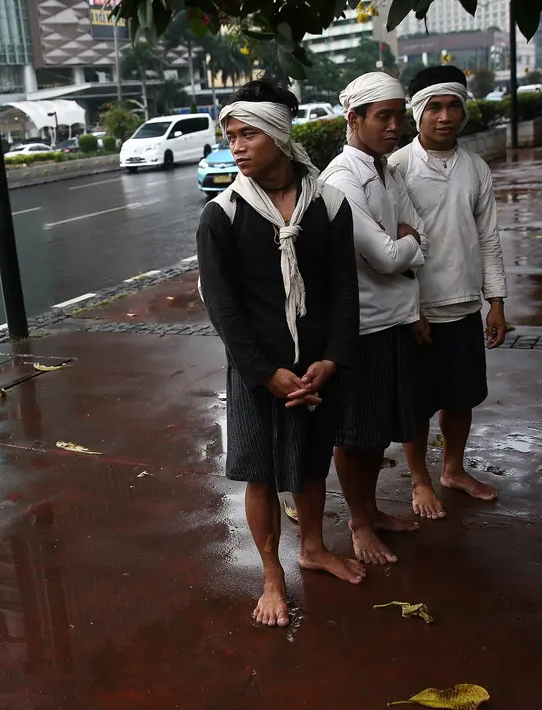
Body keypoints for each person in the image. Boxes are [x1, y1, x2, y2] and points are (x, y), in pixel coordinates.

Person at [197, 79, 363, 628]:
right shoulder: (222, 215)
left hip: (317, 369)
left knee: (312, 466)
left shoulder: (330, 205)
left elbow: (343, 288)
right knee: (262, 475)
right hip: (258, 373)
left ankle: (313, 548)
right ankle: (272, 575)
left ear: (279, 135)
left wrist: (332, 360)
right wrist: (264, 372)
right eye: (231, 136)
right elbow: (222, 306)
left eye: (249, 134)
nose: (237, 146)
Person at [318, 72, 431, 564]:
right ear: (354, 119)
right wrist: (410, 242)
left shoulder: (387, 170)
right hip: (360, 329)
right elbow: (387, 256)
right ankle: (359, 524)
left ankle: (372, 511)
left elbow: (413, 230)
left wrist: (407, 243)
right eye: (382, 116)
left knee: (379, 431)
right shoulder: (341, 180)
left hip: (395, 319)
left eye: (398, 115)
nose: (394, 126)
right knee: (354, 433)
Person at [389, 65, 508, 520]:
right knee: (417, 403)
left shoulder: (476, 167)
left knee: (462, 396)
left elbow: (489, 238)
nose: (445, 116)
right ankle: (420, 478)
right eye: (434, 107)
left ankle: (453, 469)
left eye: (453, 105)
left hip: (464, 305)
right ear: (417, 113)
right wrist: (408, 308)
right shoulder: (397, 167)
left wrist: (496, 302)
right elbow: (387, 247)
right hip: (415, 311)